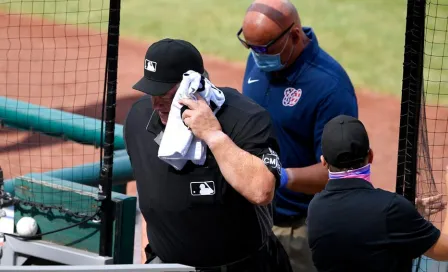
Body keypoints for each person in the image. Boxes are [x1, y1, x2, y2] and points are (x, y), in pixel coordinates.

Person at [124, 38, 293, 271]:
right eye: (151, 92)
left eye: (165, 94)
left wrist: (213, 136)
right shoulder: (138, 119)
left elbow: (262, 190)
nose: (156, 104)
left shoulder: (244, 118)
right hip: (166, 265)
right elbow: (150, 196)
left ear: (194, 87)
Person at [238, 0, 358, 271]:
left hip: (299, 230)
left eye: (263, 48)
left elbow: (339, 173)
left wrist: (280, 176)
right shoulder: (259, 60)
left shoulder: (330, 88)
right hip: (251, 221)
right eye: (249, 46)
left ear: (294, 35)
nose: (256, 55)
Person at [307, 114, 448, 271]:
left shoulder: (315, 209)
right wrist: (404, 216)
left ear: (324, 162)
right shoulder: (391, 209)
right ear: (371, 156)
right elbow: (446, 250)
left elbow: (359, 227)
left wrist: (407, 218)